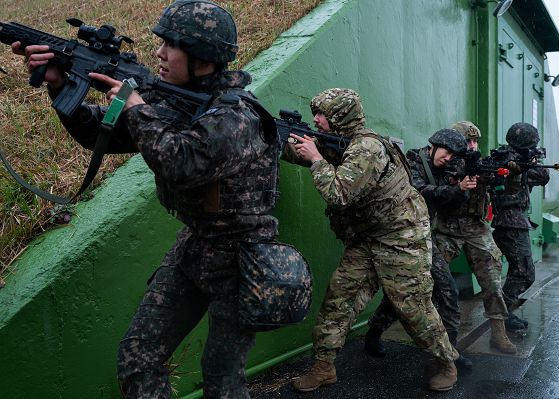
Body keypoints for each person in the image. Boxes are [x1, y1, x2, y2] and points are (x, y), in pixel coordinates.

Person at [13, 1, 280, 398]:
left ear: (203, 58)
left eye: (171, 45)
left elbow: (183, 164)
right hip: (195, 248)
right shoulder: (171, 100)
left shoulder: (237, 115)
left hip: (241, 259)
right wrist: (58, 85)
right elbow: (103, 133)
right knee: (137, 358)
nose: (159, 52)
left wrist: (136, 104)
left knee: (222, 376)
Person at [284, 88, 459, 393]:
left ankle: (446, 362)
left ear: (341, 116)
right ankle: (323, 367)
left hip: (401, 238)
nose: (316, 119)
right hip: (367, 237)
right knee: (340, 298)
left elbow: (339, 193)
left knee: (413, 307)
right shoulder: (340, 143)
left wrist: (314, 159)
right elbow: (308, 155)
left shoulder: (367, 148)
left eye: (322, 113)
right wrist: (283, 141)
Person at [366, 125, 517, 364]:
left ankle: (458, 349)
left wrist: (492, 175)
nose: (472, 147)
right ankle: (376, 329)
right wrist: (457, 185)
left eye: (475, 142)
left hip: (472, 228)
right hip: (440, 229)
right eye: (468, 142)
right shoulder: (426, 161)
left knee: (477, 283)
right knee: (411, 283)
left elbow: (481, 188)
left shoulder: (457, 160)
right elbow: (424, 190)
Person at [491, 122, 550, 331]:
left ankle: (503, 314)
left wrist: (531, 159)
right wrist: (531, 161)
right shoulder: (509, 160)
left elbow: (541, 177)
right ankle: (501, 317)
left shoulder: (517, 159)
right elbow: (543, 176)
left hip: (512, 221)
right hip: (511, 221)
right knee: (524, 272)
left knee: (519, 270)